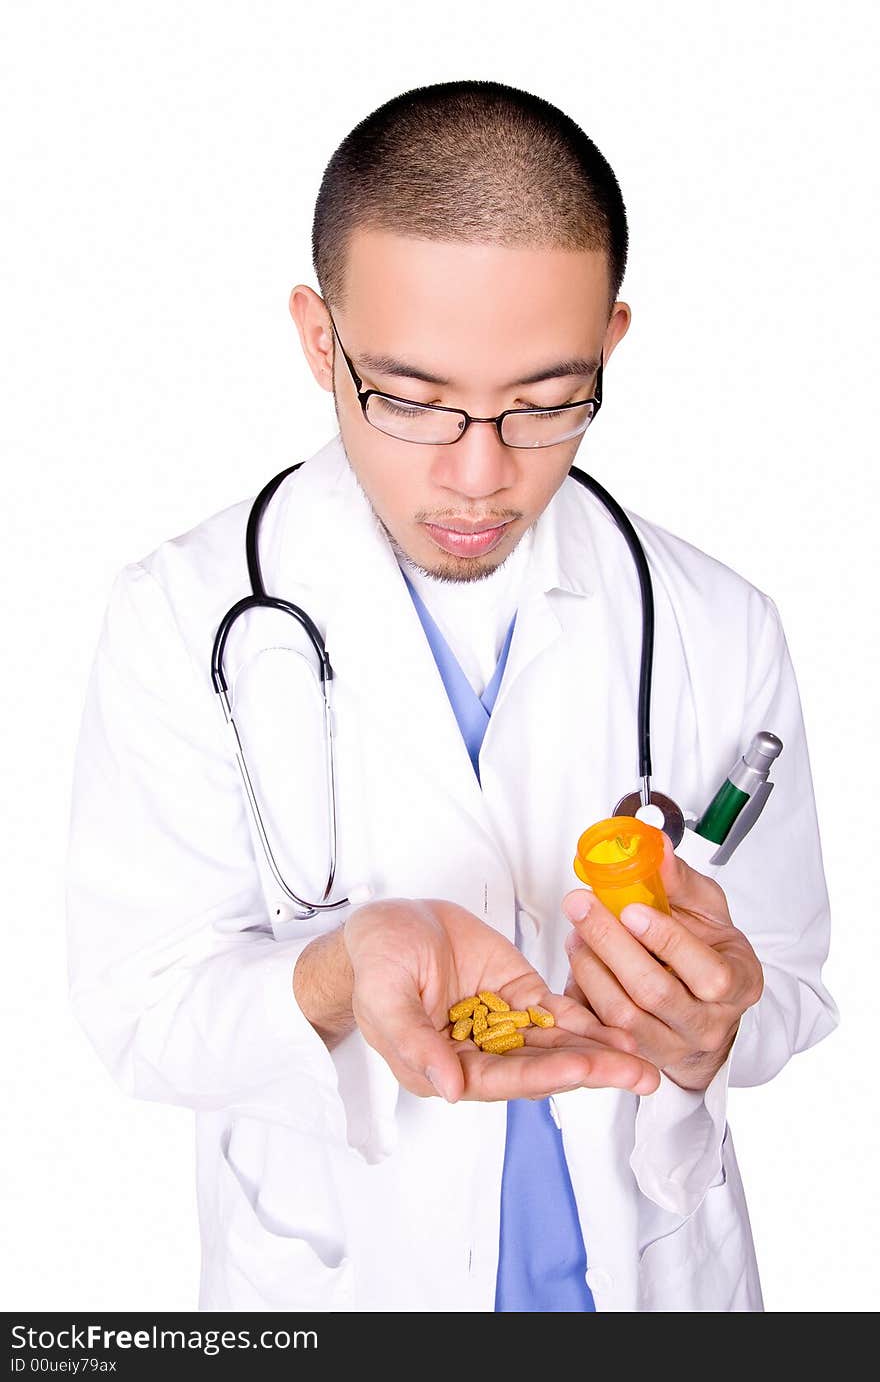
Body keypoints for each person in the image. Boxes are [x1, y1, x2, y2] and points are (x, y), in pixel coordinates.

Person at [65, 80, 838, 1313]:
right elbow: (140, 1011)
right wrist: (334, 972)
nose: (480, 474)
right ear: (321, 341)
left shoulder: (714, 622)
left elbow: (790, 978)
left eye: (544, 401)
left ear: (611, 344)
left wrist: (715, 1029)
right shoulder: (184, 614)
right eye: (413, 396)